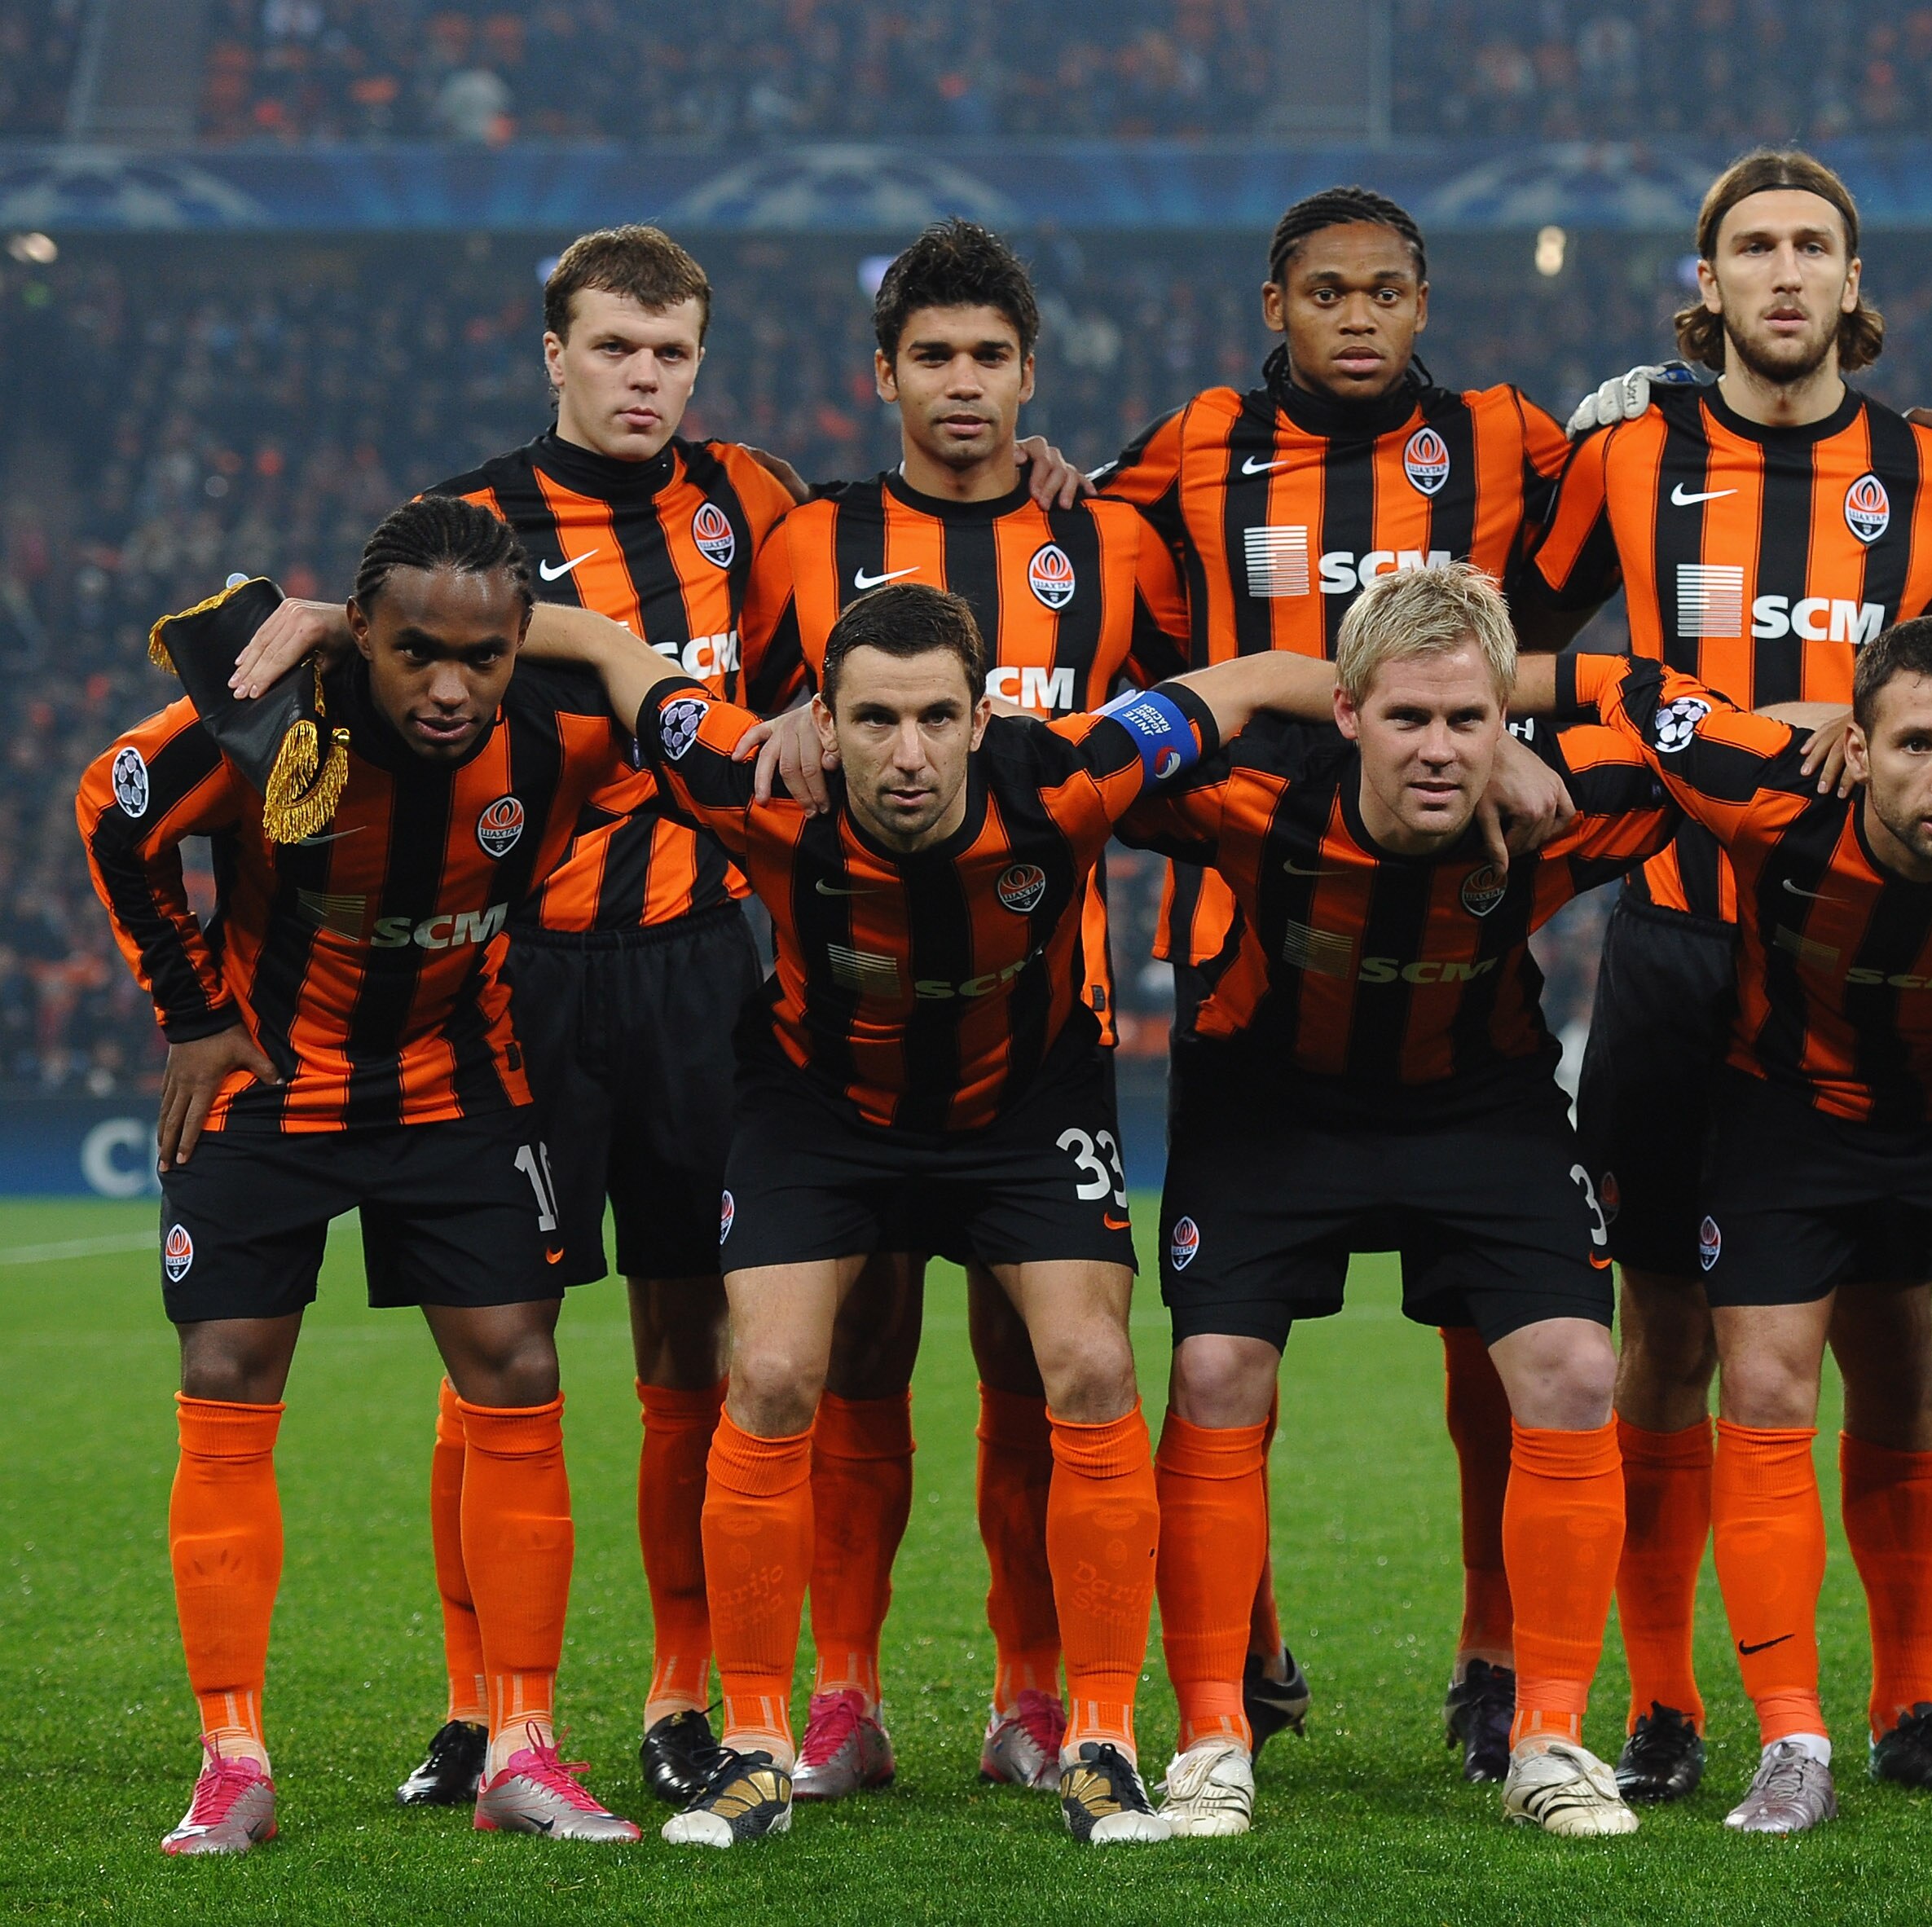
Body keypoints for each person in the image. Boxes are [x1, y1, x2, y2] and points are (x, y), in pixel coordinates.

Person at [460, 579, 1328, 1847]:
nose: (906, 752)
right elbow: (595, 638)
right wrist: (338, 620)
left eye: (934, 716)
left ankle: (1099, 1735)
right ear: (824, 716)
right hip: (820, 1109)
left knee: (1088, 1361)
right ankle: (757, 1741)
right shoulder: (749, 775)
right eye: (873, 719)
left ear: (984, 718)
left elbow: (1252, 679)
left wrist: (1459, 722)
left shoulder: (1075, 770)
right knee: (765, 1371)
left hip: (1024, 1107)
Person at [1023, 184, 1582, 1775]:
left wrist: (1511, 737)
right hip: (1246, 921)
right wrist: (1044, 476)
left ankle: (1496, 1654)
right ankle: (1239, 1640)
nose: (1356, 315)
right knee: (1222, 1342)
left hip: (1445, 911)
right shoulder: (1188, 441)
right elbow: (1078, 574)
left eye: (1385, 291)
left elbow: (1595, 562)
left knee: (1499, 1338)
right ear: (1276, 303)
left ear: (1422, 303)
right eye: (1325, 291)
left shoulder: (1510, 440)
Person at [1519, 148, 1932, 1805]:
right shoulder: (1628, 450)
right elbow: (1519, 648)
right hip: (1672, 944)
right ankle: (1664, 1700)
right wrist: (1640, 716)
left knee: (1887, 1330)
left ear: (1853, 282)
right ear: (1709, 280)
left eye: (1814, 246)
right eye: (1755, 248)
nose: (1786, 273)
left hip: (1878, 955)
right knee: (1666, 1330)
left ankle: (1902, 1699)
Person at [82, 501, 657, 1853]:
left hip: (458, 1077)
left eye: (484, 657)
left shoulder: (564, 732)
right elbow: (112, 810)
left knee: (518, 1368)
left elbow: (675, 733)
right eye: (415, 653)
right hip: (270, 1084)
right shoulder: (270, 722)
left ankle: (521, 1742)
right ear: (359, 640)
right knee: (225, 1377)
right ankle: (232, 1756)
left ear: (522, 644)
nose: (451, 687)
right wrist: (190, 1010)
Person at [1542, 616, 1932, 1837]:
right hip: (1791, 1110)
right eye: (1916, 743)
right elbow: (1620, 677)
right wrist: (1454, 702)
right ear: (1852, 743)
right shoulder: (1761, 790)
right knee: (1760, 1384)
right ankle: (1787, 1739)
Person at [735, 217, 1193, 1806]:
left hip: (1040, 1034)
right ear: (882, 376)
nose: (961, 384)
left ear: (1029, 374)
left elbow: (1201, 730)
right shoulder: (805, 541)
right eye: (930, 355)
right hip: (842, 1037)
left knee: (1033, 1357)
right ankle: (841, 1695)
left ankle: (1028, 1691)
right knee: (851, 1352)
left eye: (989, 356)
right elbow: (736, 745)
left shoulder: (1113, 541)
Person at [1118, 565, 1665, 1840]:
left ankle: (1551, 1736)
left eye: (1466, 722)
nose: (1436, 749)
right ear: (1346, 712)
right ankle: (1211, 1731)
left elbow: (1705, 732)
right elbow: (1096, 746)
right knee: (1211, 1372)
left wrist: (1541, 746)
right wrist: (1259, 678)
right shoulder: (1251, 795)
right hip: (1271, 1102)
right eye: (1406, 718)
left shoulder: (1578, 803)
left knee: (1582, 1368)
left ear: (1505, 726)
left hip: (1478, 1104)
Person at [371, 223, 808, 1813]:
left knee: (688, 1340)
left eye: (672, 350)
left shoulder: (749, 500)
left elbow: (864, 594)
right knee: (495, 1348)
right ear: (552, 350)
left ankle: (681, 1693)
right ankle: (482, 1706)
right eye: (616, 346)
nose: (645, 376)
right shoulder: (472, 522)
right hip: (515, 981)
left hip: (700, 968)